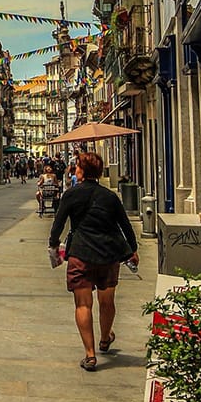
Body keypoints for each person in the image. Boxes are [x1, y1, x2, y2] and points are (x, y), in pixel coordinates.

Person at [48, 152, 139, 372]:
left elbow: (58, 224)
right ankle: (105, 339)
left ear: (82, 171)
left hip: (81, 255)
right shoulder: (109, 197)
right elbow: (125, 226)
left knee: (83, 304)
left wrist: (53, 245)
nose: (74, 170)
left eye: (77, 166)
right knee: (107, 302)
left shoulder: (71, 195)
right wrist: (132, 250)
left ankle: (90, 355)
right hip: (108, 255)